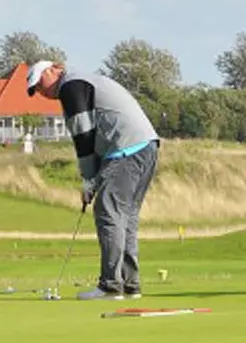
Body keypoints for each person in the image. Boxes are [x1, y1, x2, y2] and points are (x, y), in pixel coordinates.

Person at [26, 59, 160, 300]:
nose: (40, 91)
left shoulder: (71, 86)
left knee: (108, 212)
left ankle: (111, 285)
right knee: (125, 216)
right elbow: (95, 139)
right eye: (35, 90)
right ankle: (130, 285)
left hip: (127, 147)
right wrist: (94, 179)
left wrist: (88, 179)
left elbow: (84, 135)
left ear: (52, 70)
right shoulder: (81, 83)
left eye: (39, 83)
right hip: (144, 145)